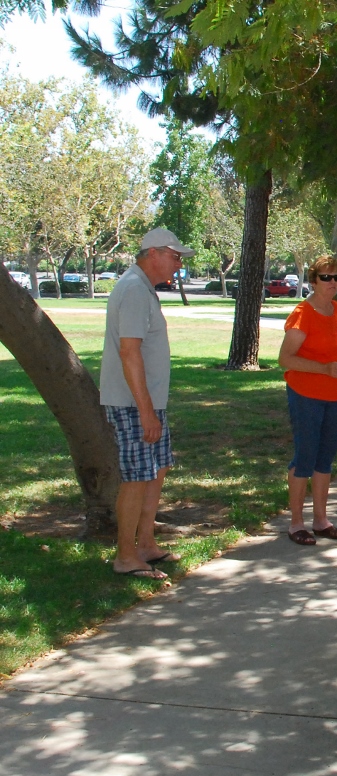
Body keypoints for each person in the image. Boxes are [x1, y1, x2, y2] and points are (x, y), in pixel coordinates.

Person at [99, 227, 191, 578]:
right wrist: (146, 411)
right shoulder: (135, 290)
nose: (178, 263)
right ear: (153, 253)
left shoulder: (144, 288)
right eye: (175, 256)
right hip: (133, 404)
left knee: (156, 470)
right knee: (137, 477)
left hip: (149, 403)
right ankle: (125, 557)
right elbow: (129, 352)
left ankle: (146, 545)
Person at [278, 254, 337, 545]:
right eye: (326, 277)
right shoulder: (302, 313)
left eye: (336, 278)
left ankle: (321, 519)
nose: (332, 283)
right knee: (305, 457)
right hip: (306, 395)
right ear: (313, 281)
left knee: (325, 458)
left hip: (336, 394)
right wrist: (325, 369)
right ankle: (296, 523)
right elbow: (285, 359)